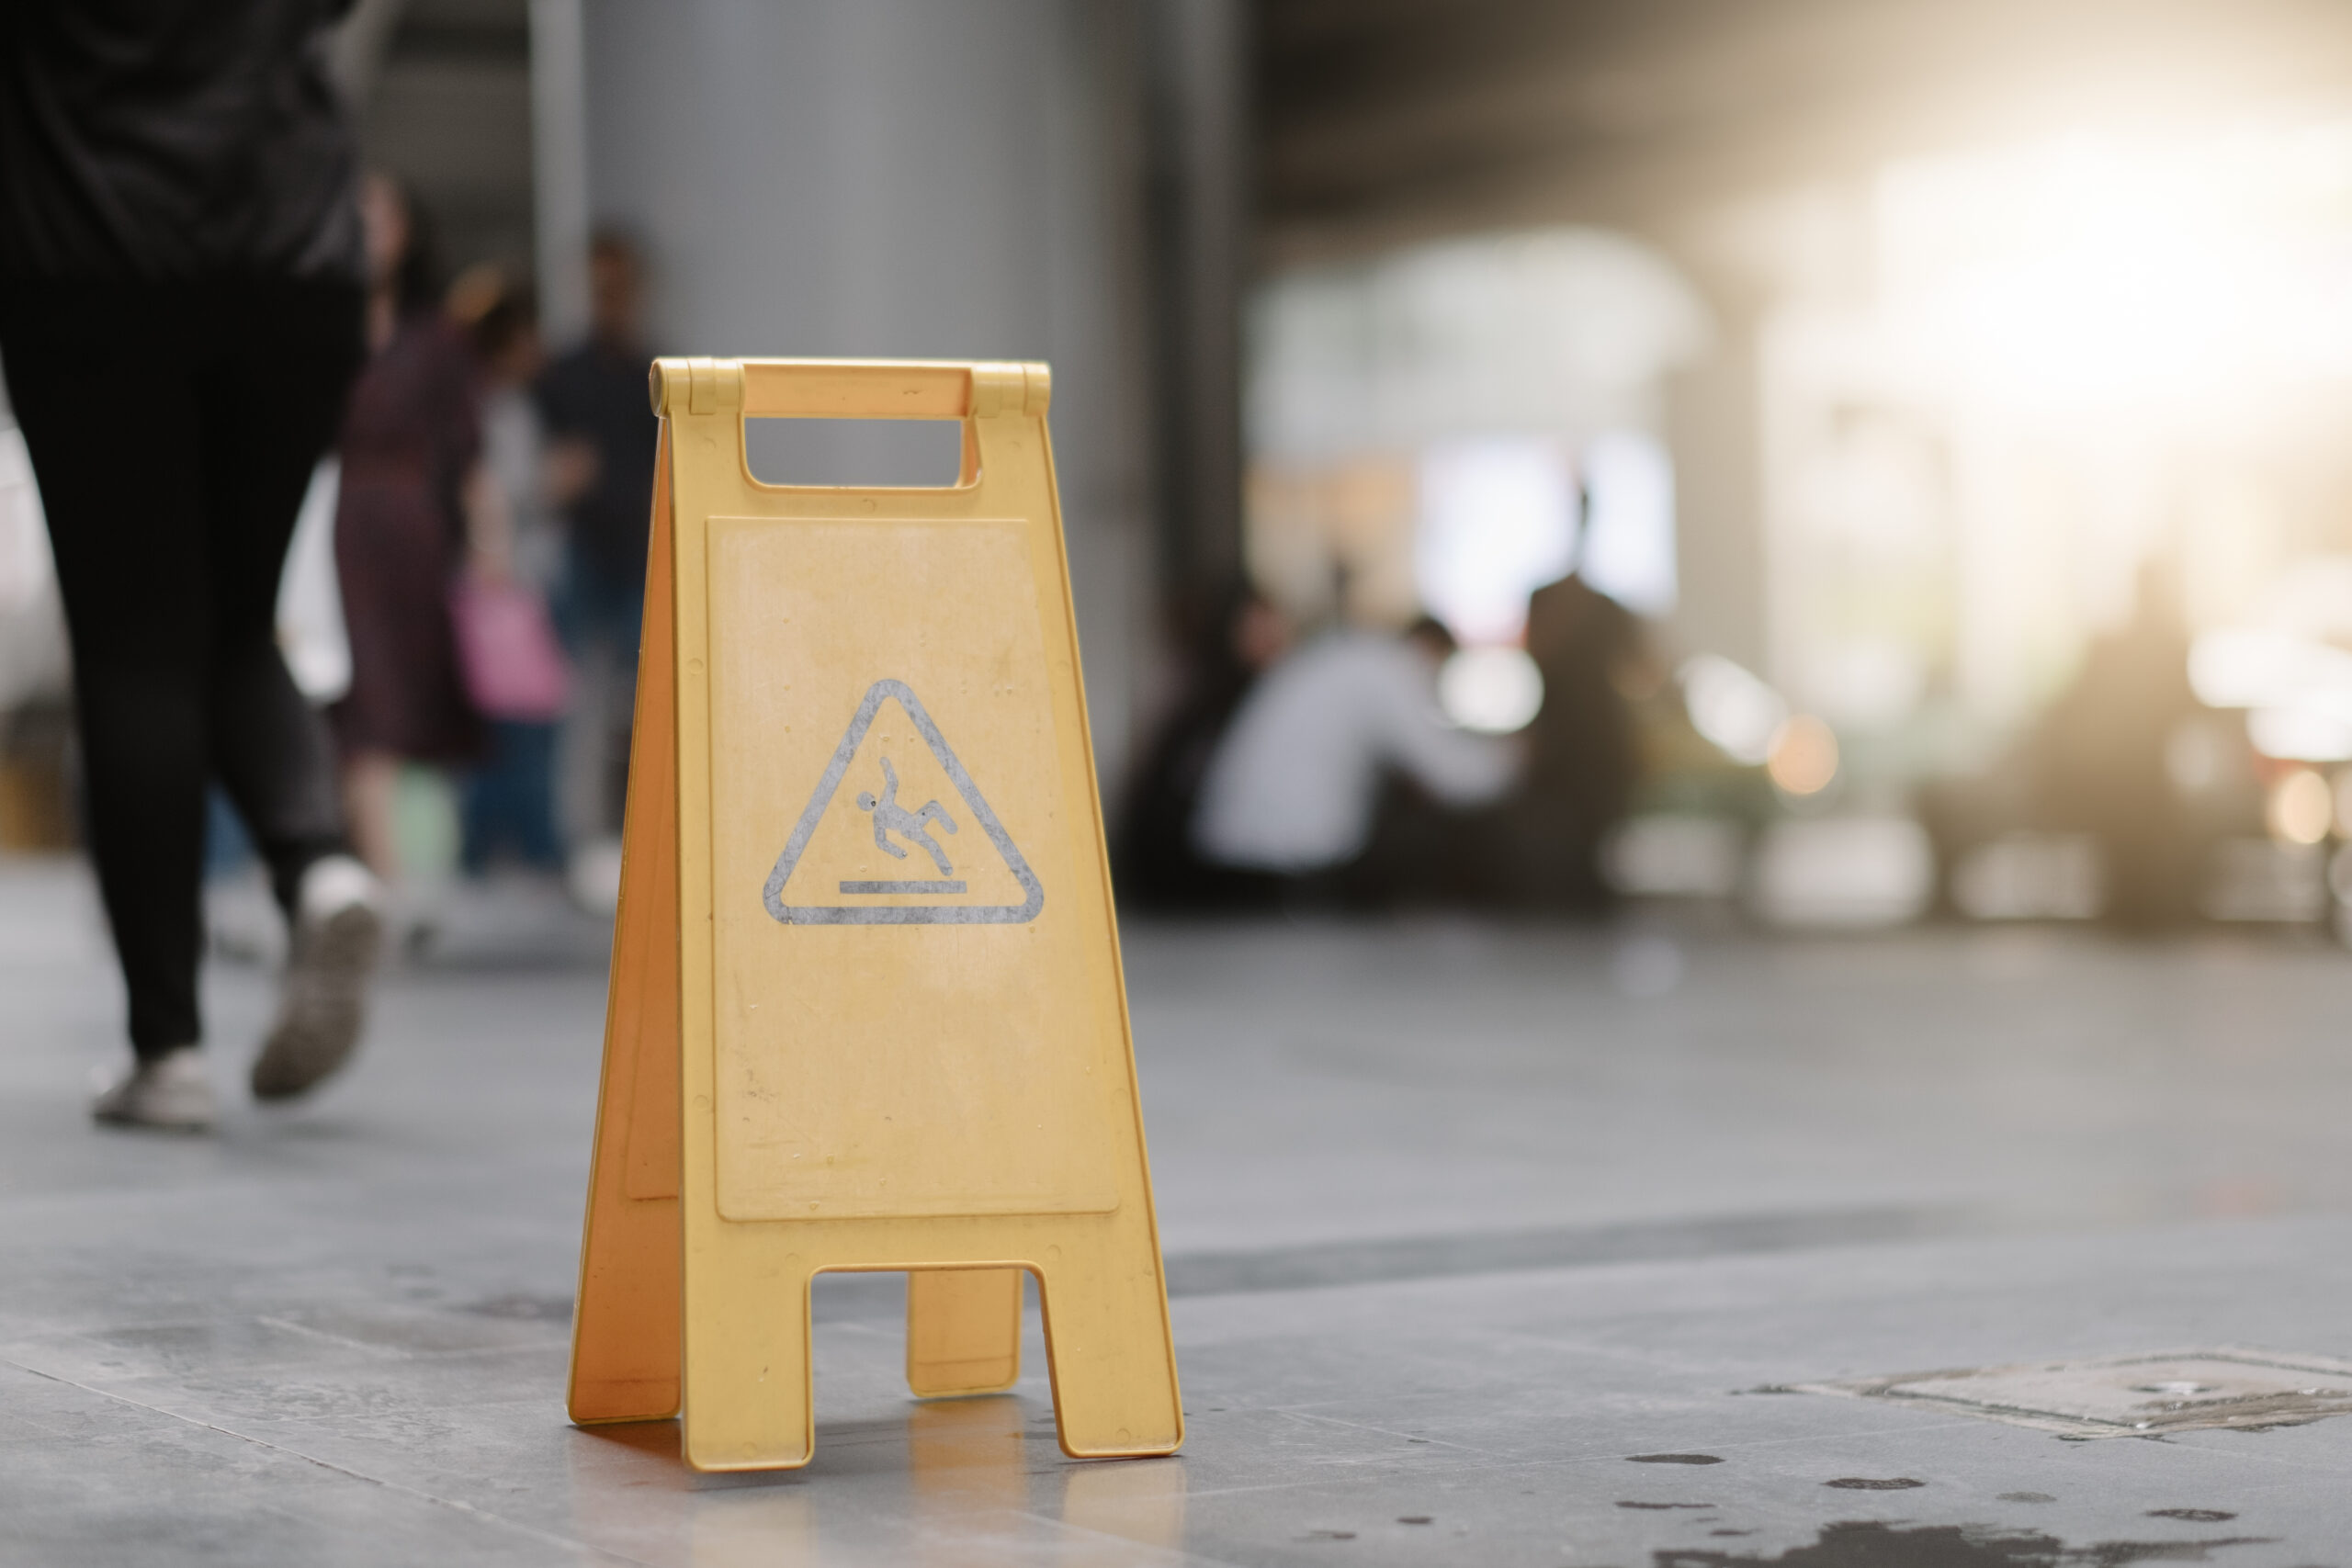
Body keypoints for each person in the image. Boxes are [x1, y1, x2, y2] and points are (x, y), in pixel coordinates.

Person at [0, 0, 386, 1129]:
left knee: (134, 645)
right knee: (234, 614)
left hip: (94, 262)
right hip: (294, 258)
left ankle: (166, 1052)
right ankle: (320, 868)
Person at [329, 177, 495, 899]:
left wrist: (491, 542)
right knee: (355, 692)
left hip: (411, 531)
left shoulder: (437, 339)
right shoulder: (321, 324)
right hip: (333, 525)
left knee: (410, 691)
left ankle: (390, 874)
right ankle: (381, 877)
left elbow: (469, 449)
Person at [1191, 615, 1516, 904]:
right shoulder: (1391, 669)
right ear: (1431, 650)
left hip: (1231, 853)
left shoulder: (1344, 655)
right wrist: (1514, 756)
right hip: (1287, 865)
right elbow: (1452, 775)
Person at [537, 230, 658, 858]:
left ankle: (630, 834)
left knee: (642, 704)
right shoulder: (563, 374)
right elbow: (545, 471)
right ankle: (581, 838)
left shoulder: (656, 373)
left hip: (642, 557)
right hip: (587, 556)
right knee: (581, 701)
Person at [450, 267, 568, 876]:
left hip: (517, 577)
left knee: (511, 723)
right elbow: (489, 489)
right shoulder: (492, 409)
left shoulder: (508, 405)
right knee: (515, 725)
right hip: (505, 582)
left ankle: (496, 849)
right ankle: (526, 848)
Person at [1496, 503, 1649, 913]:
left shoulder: (1605, 606)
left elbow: (1641, 668)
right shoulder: (1552, 599)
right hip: (1562, 747)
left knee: (1593, 855)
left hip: (1598, 745)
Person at [1113, 584, 1290, 910]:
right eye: (1258, 628)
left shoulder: (1252, 697)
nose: (1272, 639)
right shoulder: (1217, 704)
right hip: (1195, 873)